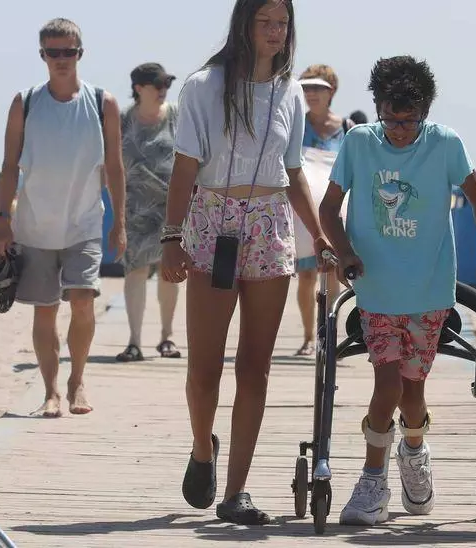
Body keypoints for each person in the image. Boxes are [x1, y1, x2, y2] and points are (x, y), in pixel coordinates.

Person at [158, 0, 330, 525]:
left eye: (283, 23)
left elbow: (293, 171)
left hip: (270, 226)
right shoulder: (202, 86)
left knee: (256, 366)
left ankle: (236, 492)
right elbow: (185, 166)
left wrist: (320, 236)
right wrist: (171, 237)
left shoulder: (290, 91)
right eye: (266, 21)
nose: (276, 32)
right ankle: (202, 449)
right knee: (204, 367)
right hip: (212, 222)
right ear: (244, 24)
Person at [319, 55, 476, 526]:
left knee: (413, 392)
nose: (398, 130)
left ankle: (414, 452)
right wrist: (344, 251)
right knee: (388, 383)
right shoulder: (360, 142)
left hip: (429, 290)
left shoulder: (445, 143)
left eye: (409, 121)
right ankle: (372, 480)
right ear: (377, 108)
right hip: (376, 288)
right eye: (390, 119)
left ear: (425, 113)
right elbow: (329, 209)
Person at [0, 17, 127, 418]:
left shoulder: (103, 103)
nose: (61, 59)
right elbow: (9, 165)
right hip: (34, 225)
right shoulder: (26, 102)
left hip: (85, 223)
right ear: (42, 55)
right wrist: (2, 220)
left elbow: (115, 167)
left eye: (68, 51)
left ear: (80, 53)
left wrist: (120, 222)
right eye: (54, 52)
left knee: (83, 301)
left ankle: (76, 380)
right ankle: (50, 391)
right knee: (45, 308)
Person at [116, 62, 183, 362]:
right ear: (139, 88)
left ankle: (167, 337)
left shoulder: (177, 116)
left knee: (170, 271)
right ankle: (134, 341)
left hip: (172, 206)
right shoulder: (122, 120)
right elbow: (109, 164)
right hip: (135, 206)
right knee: (135, 270)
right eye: (157, 85)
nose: (163, 90)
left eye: (166, 84)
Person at [292, 64, 353, 356]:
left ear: (332, 91)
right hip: (303, 214)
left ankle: (327, 336)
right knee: (306, 276)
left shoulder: (348, 128)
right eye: (306, 87)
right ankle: (308, 337)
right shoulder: (296, 125)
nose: (311, 93)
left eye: (318, 87)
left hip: (336, 212)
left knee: (330, 274)